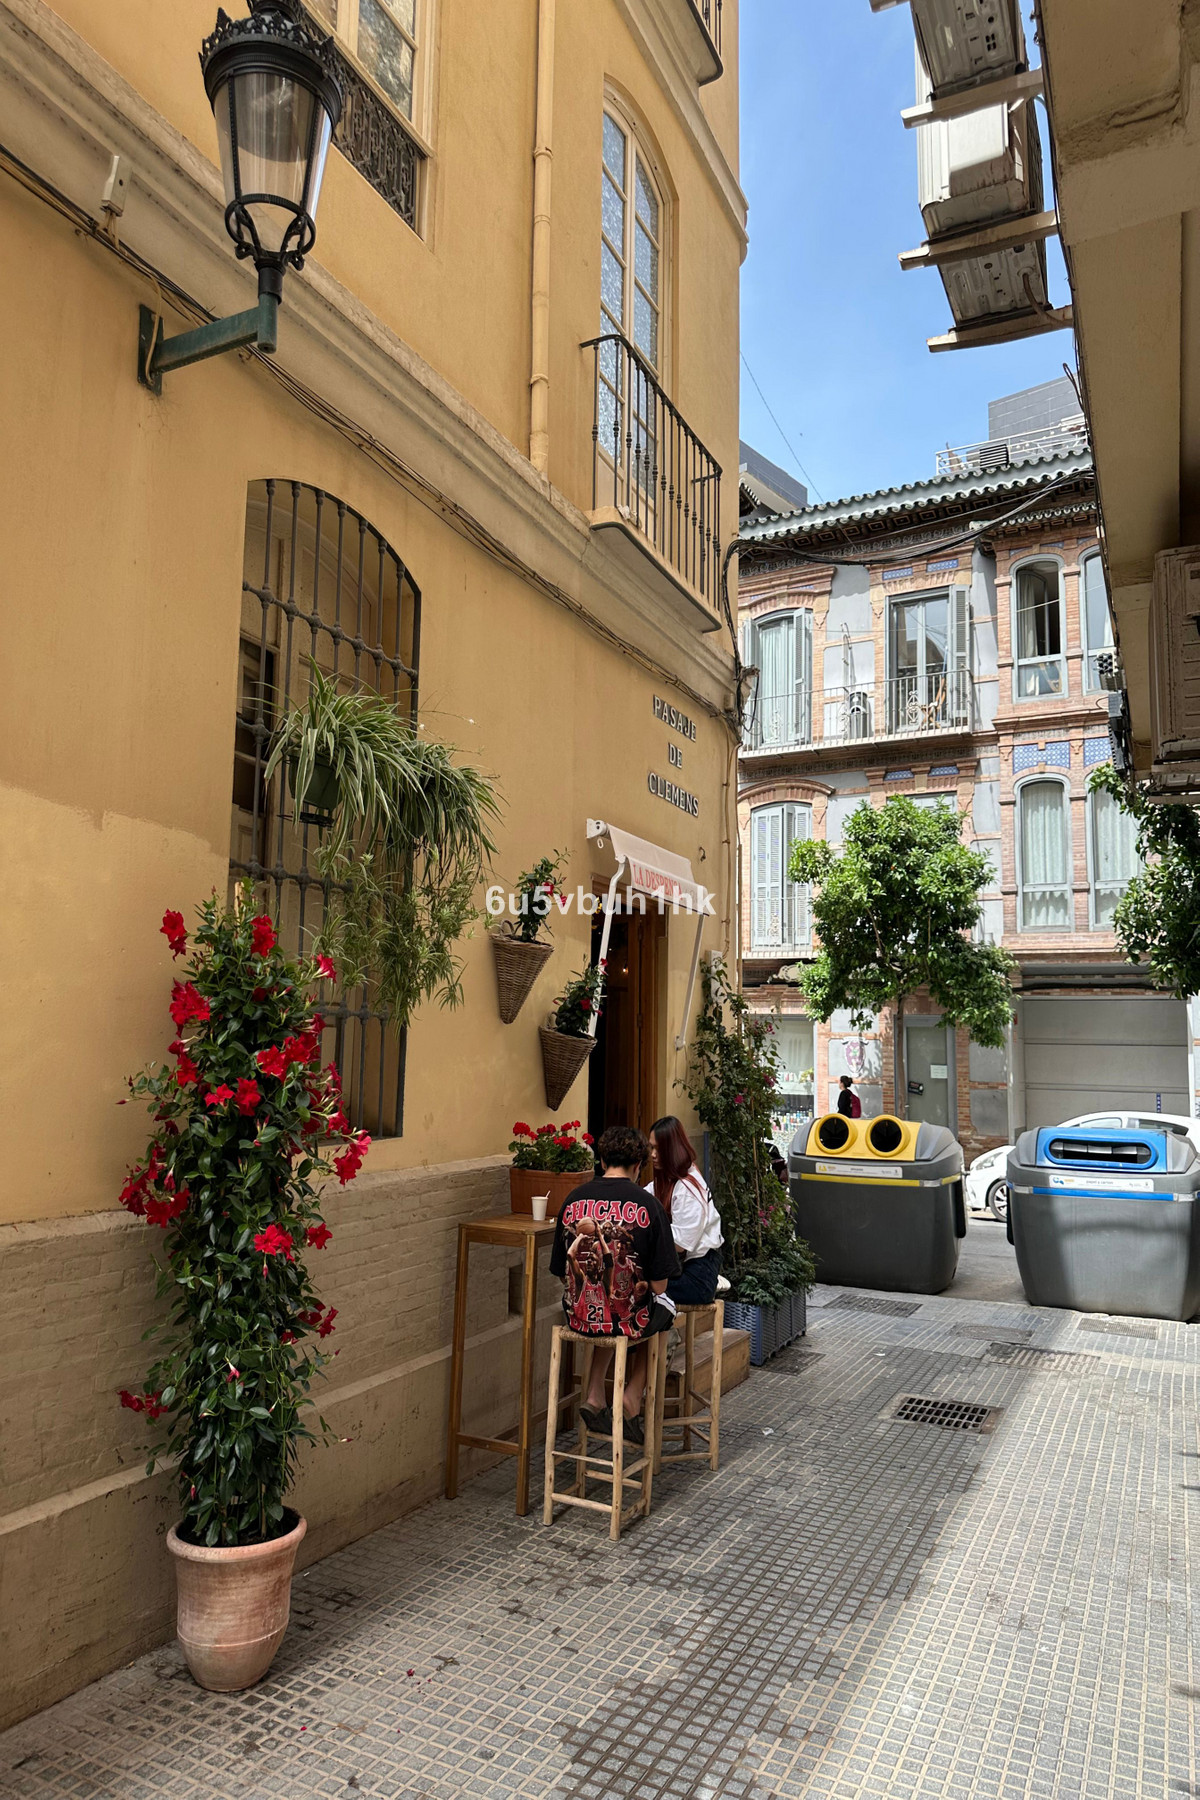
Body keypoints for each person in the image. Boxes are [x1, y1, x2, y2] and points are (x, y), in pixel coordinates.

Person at [550, 1124, 678, 1446]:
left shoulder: (573, 1199)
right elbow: (659, 1285)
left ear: (602, 1160)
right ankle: (631, 1397)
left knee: (607, 1309)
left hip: (579, 1318)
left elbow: (560, 1271)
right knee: (664, 1312)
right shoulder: (648, 1205)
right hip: (626, 1320)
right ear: (638, 1165)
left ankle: (595, 1394)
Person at [646, 1115, 724, 1308]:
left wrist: (646, 1230)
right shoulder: (667, 1180)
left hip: (699, 1274)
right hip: (683, 1267)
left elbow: (681, 1243)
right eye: (651, 1148)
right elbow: (643, 1198)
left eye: (659, 1149)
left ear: (673, 1149)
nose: (653, 1155)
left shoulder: (687, 1187)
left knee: (641, 1290)